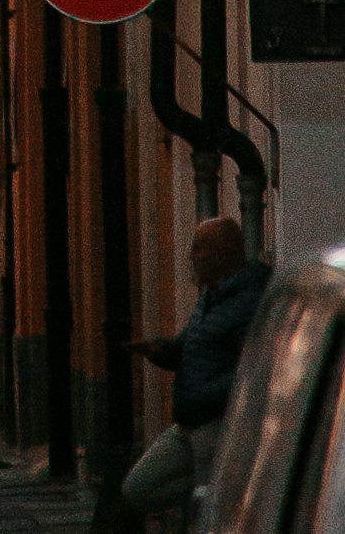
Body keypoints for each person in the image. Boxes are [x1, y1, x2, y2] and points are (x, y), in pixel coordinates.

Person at [127, 215, 271, 516]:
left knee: (210, 512)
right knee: (138, 487)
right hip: (188, 422)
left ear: (223, 253)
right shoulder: (212, 296)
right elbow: (194, 345)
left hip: (216, 424)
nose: (193, 257)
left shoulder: (250, 301)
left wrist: (209, 395)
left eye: (199, 249)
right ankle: (219, 487)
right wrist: (163, 350)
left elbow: (255, 368)